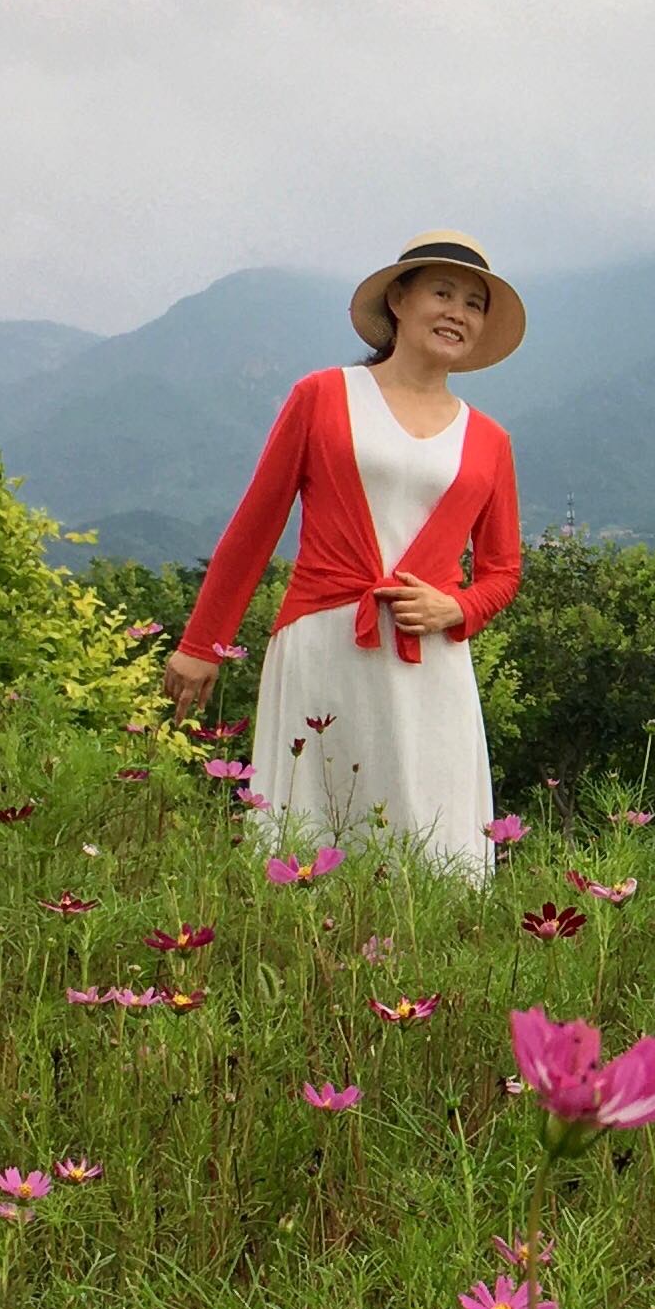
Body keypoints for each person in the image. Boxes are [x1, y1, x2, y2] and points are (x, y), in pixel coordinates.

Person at [162, 233, 525, 878]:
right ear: (398, 300)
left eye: (473, 303)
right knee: (312, 833)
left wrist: (456, 607)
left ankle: (427, 974)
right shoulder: (323, 396)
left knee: (432, 843)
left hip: (430, 664)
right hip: (324, 644)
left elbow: (502, 572)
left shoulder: (490, 440)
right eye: (442, 292)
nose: (458, 313)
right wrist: (202, 642)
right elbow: (255, 526)